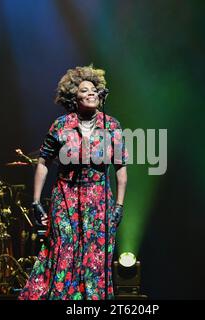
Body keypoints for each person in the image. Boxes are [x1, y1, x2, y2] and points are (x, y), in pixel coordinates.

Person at [19, 65, 128, 300]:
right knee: (63, 250)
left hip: (99, 200)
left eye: (94, 90)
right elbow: (43, 162)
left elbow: (120, 168)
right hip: (65, 197)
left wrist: (119, 205)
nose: (91, 93)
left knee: (95, 255)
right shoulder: (61, 125)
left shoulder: (112, 126)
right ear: (73, 98)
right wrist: (36, 201)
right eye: (84, 90)